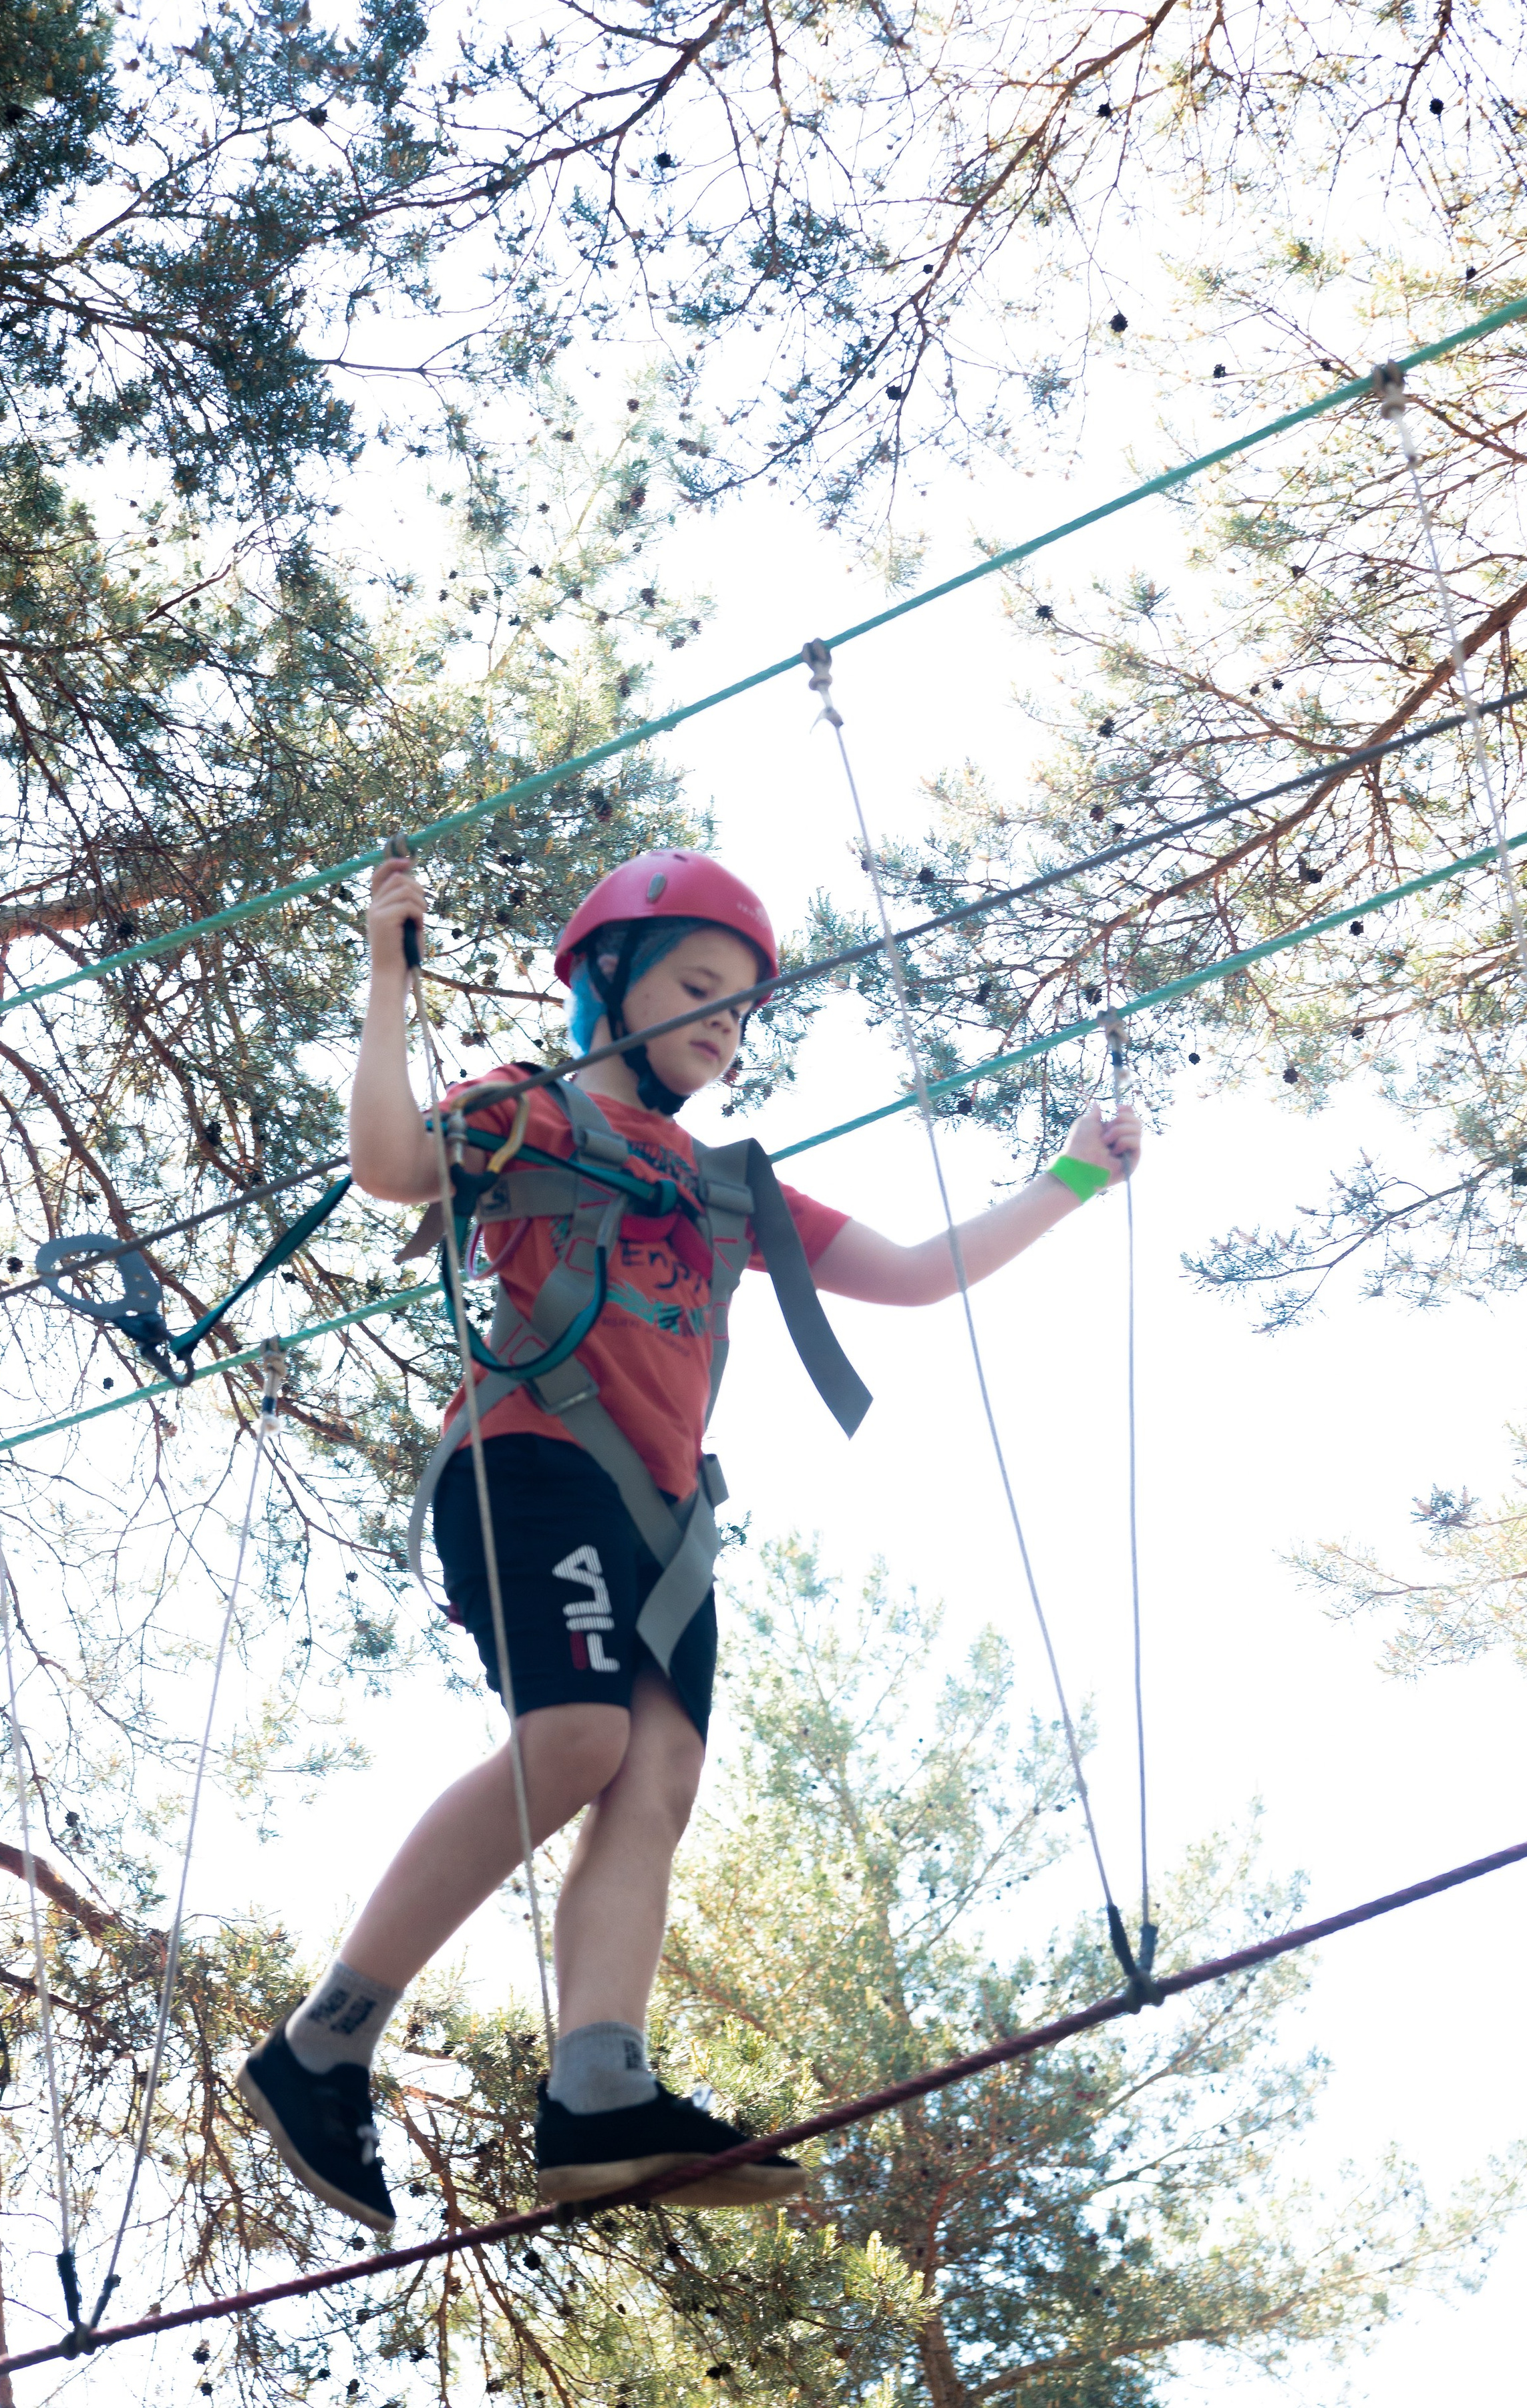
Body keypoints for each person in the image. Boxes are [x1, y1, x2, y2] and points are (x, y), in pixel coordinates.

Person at [239, 848, 1141, 2229]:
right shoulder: (526, 1109)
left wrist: (1071, 1178)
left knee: (652, 1772)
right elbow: (388, 1165)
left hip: (664, 1520)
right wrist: (383, 976)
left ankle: (600, 2086)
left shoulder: (730, 1184)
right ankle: (324, 2042)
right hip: (534, 1460)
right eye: (695, 986)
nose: (723, 1023)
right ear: (606, 986)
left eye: (741, 1009)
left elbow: (910, 1273)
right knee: (578, 1738)